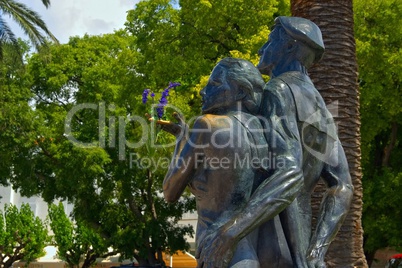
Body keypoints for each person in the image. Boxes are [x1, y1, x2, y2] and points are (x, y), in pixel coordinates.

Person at [196, 16, 354, 268]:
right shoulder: (319, 105)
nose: (261, 49)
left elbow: (288, 173)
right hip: (298, 250)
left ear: (290, 46)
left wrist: (229, 233)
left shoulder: (276, 91)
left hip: (265, 245)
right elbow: (342, 186)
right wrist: (316, 252)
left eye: (270, 41)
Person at [161, 57, 299, 267]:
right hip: (253, 254)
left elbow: (170, 191)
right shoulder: (265, 132)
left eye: (214, 84)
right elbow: (292, 174)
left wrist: (181, 139)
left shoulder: (206, 125)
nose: (203, 91)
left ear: (241, 92)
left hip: (217, 253)